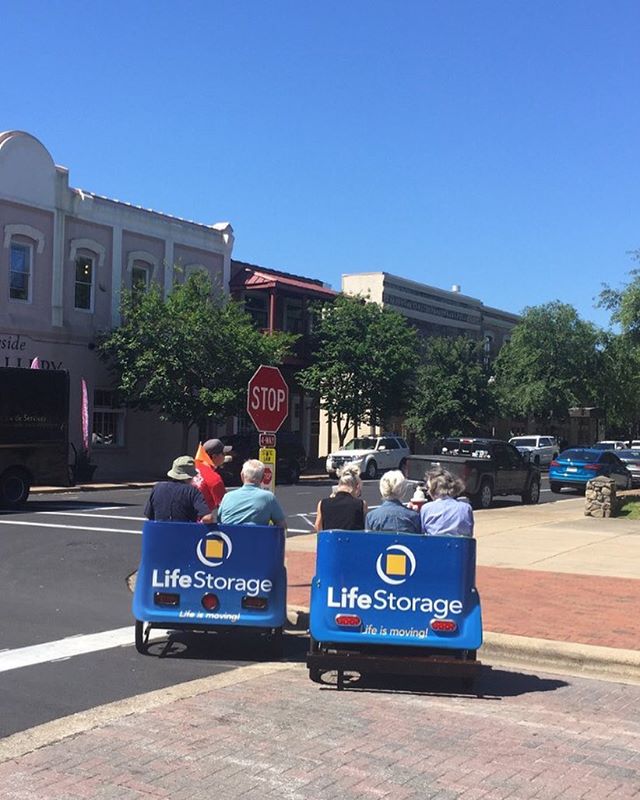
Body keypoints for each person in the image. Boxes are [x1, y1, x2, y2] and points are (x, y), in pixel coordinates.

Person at [217, 459, 287, 528]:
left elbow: (220, 521)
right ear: (262, 478)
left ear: (242, 476)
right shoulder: (268, 497)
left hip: (230, 538)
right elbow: (282, 526)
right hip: (256, 538)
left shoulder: (227, 497)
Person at [144, 456, 214, 523]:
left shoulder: (157, 488)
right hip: (184, 533)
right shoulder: (192, 491)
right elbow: (208, 518)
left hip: (159, 533)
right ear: (190, 476)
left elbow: (148, 517)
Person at [420, 466, 474, 537]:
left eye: (428, 488)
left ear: (433, 489)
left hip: (434, 547)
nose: (428, 492)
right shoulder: (466, 508)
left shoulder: (426, 508)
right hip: (459, 547)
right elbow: (469, 534)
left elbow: (422, 533)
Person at [314, 464, 368, 532]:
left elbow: (318, 527)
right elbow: (366, 528)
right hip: (353, 541)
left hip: (331, 541)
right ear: (357, 487)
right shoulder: (361, 504)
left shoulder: (322, 503)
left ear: (339, 486)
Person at [192, 438, 232, 512]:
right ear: (214, 456)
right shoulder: (214, 478)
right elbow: (224, 506)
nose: (225, 456)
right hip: (205, 519)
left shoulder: (191, 469)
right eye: (223, 453)